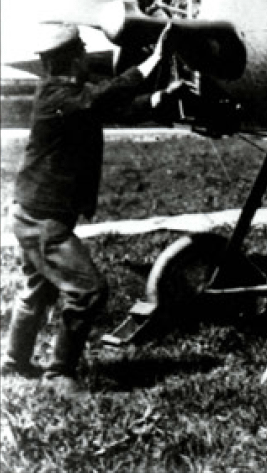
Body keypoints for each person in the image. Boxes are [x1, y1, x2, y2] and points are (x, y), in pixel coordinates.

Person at [1, 22, 181, 394]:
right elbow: (102, 100)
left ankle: (13, 362)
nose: (88, 58)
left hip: (32, 212)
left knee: (37, 289)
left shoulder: (66, 96)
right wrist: (154, 61)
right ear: (72, 59)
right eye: (83, 52)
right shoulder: (60, 98)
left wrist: (161, 97)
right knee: (88, 291)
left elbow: (113, 108)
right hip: (42, 219)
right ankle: (59, 373)